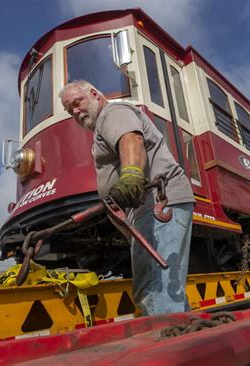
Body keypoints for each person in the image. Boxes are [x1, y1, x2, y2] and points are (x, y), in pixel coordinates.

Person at [59, 80, 195, 315]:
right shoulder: (103, 125)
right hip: (147, 209)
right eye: (70, 110)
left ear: (94, 93)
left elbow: (132, 139)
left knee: (153, 287)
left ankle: (172, 344)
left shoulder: (113, 112)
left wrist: (131, 176)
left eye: (77, 103)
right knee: (160, 288)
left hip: (157, 203)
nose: (75, 112)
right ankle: (188, 338)